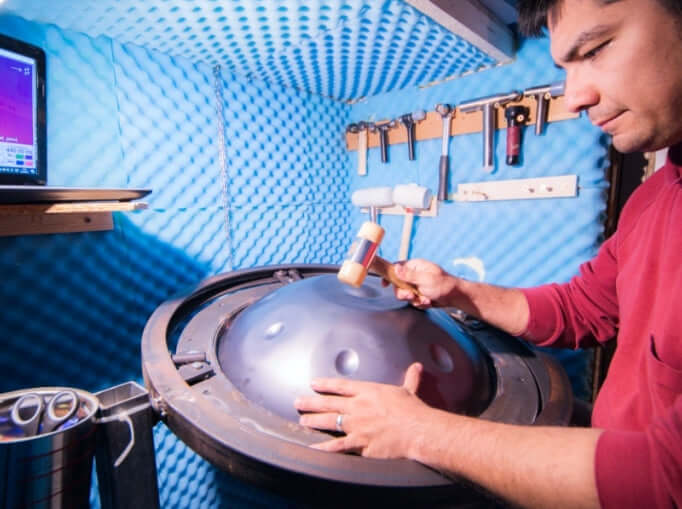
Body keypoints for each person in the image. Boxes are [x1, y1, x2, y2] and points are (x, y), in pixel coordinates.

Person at [293, 0, 682, 507]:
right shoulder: (655, 198)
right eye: (565, 68)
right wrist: (458, 291)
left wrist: (420, 432)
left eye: (596, 49)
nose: (576, 97)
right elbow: (582, 309)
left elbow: (665, 481)